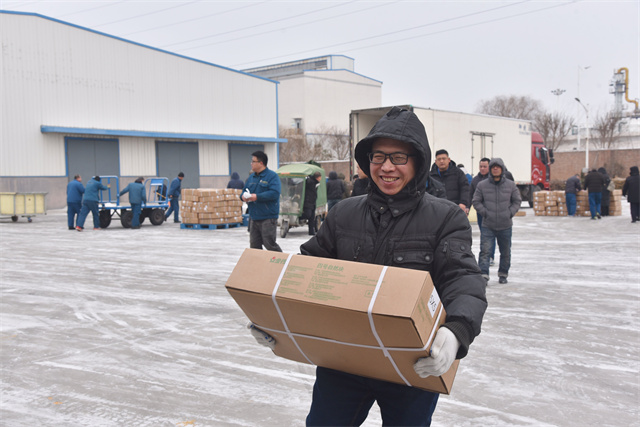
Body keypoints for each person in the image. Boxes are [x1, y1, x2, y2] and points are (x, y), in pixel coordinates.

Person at [249, 107, 487, 425]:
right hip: (344, 361)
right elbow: (306, 272)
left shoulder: (445, 218)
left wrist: (457, 330)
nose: (387, 167)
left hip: (410, 364)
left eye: (398, 157)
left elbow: (463, 278)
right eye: (378, 157)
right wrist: (275, 317)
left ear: (417, 162)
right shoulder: (344, 213)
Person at [472, 158, 521, 284]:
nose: (495, 168)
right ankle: (483, 274)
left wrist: (509, 213)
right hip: (488, 225)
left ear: (502, 168)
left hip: (505, 225)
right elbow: (476, 201)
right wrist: (485, 213)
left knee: (505, 252)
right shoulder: (482, 185)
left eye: (497, 166)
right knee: (485, 251)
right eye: (493, 166)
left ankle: (503, 274)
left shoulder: (510, 185)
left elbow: (517, 201)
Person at [241, 151, 282, 252]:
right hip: (254, 217)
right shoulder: (251, 178)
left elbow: (274, 193)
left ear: (261, 163)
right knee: (254, 246)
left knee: (270, 244)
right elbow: (243, 191)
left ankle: (281, 263)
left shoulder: (272, 176)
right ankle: (258, 266)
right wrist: (243, 196)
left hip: (268, 217)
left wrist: (257, 197)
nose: (251, 163)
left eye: (253, 161)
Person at [469, 158, 495, 264]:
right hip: (480, 213)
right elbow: (470, 195)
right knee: (484, 234)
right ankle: (485, 256)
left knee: (491, 234)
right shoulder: (475, 180)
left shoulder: (494, 179)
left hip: (493, 213)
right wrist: (467, 206)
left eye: (485, 166)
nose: (482, 168)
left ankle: (491, 256)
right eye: (481, 166)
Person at [430, 149, 470, 214]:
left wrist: (463, 203)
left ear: (449, 160)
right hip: (436, 211)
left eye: (444, 158)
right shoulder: (431, 175)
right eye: (439, 159)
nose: (441, 161)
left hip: (454, 209)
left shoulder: (458, 173)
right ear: (435, 161)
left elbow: (465, 188)